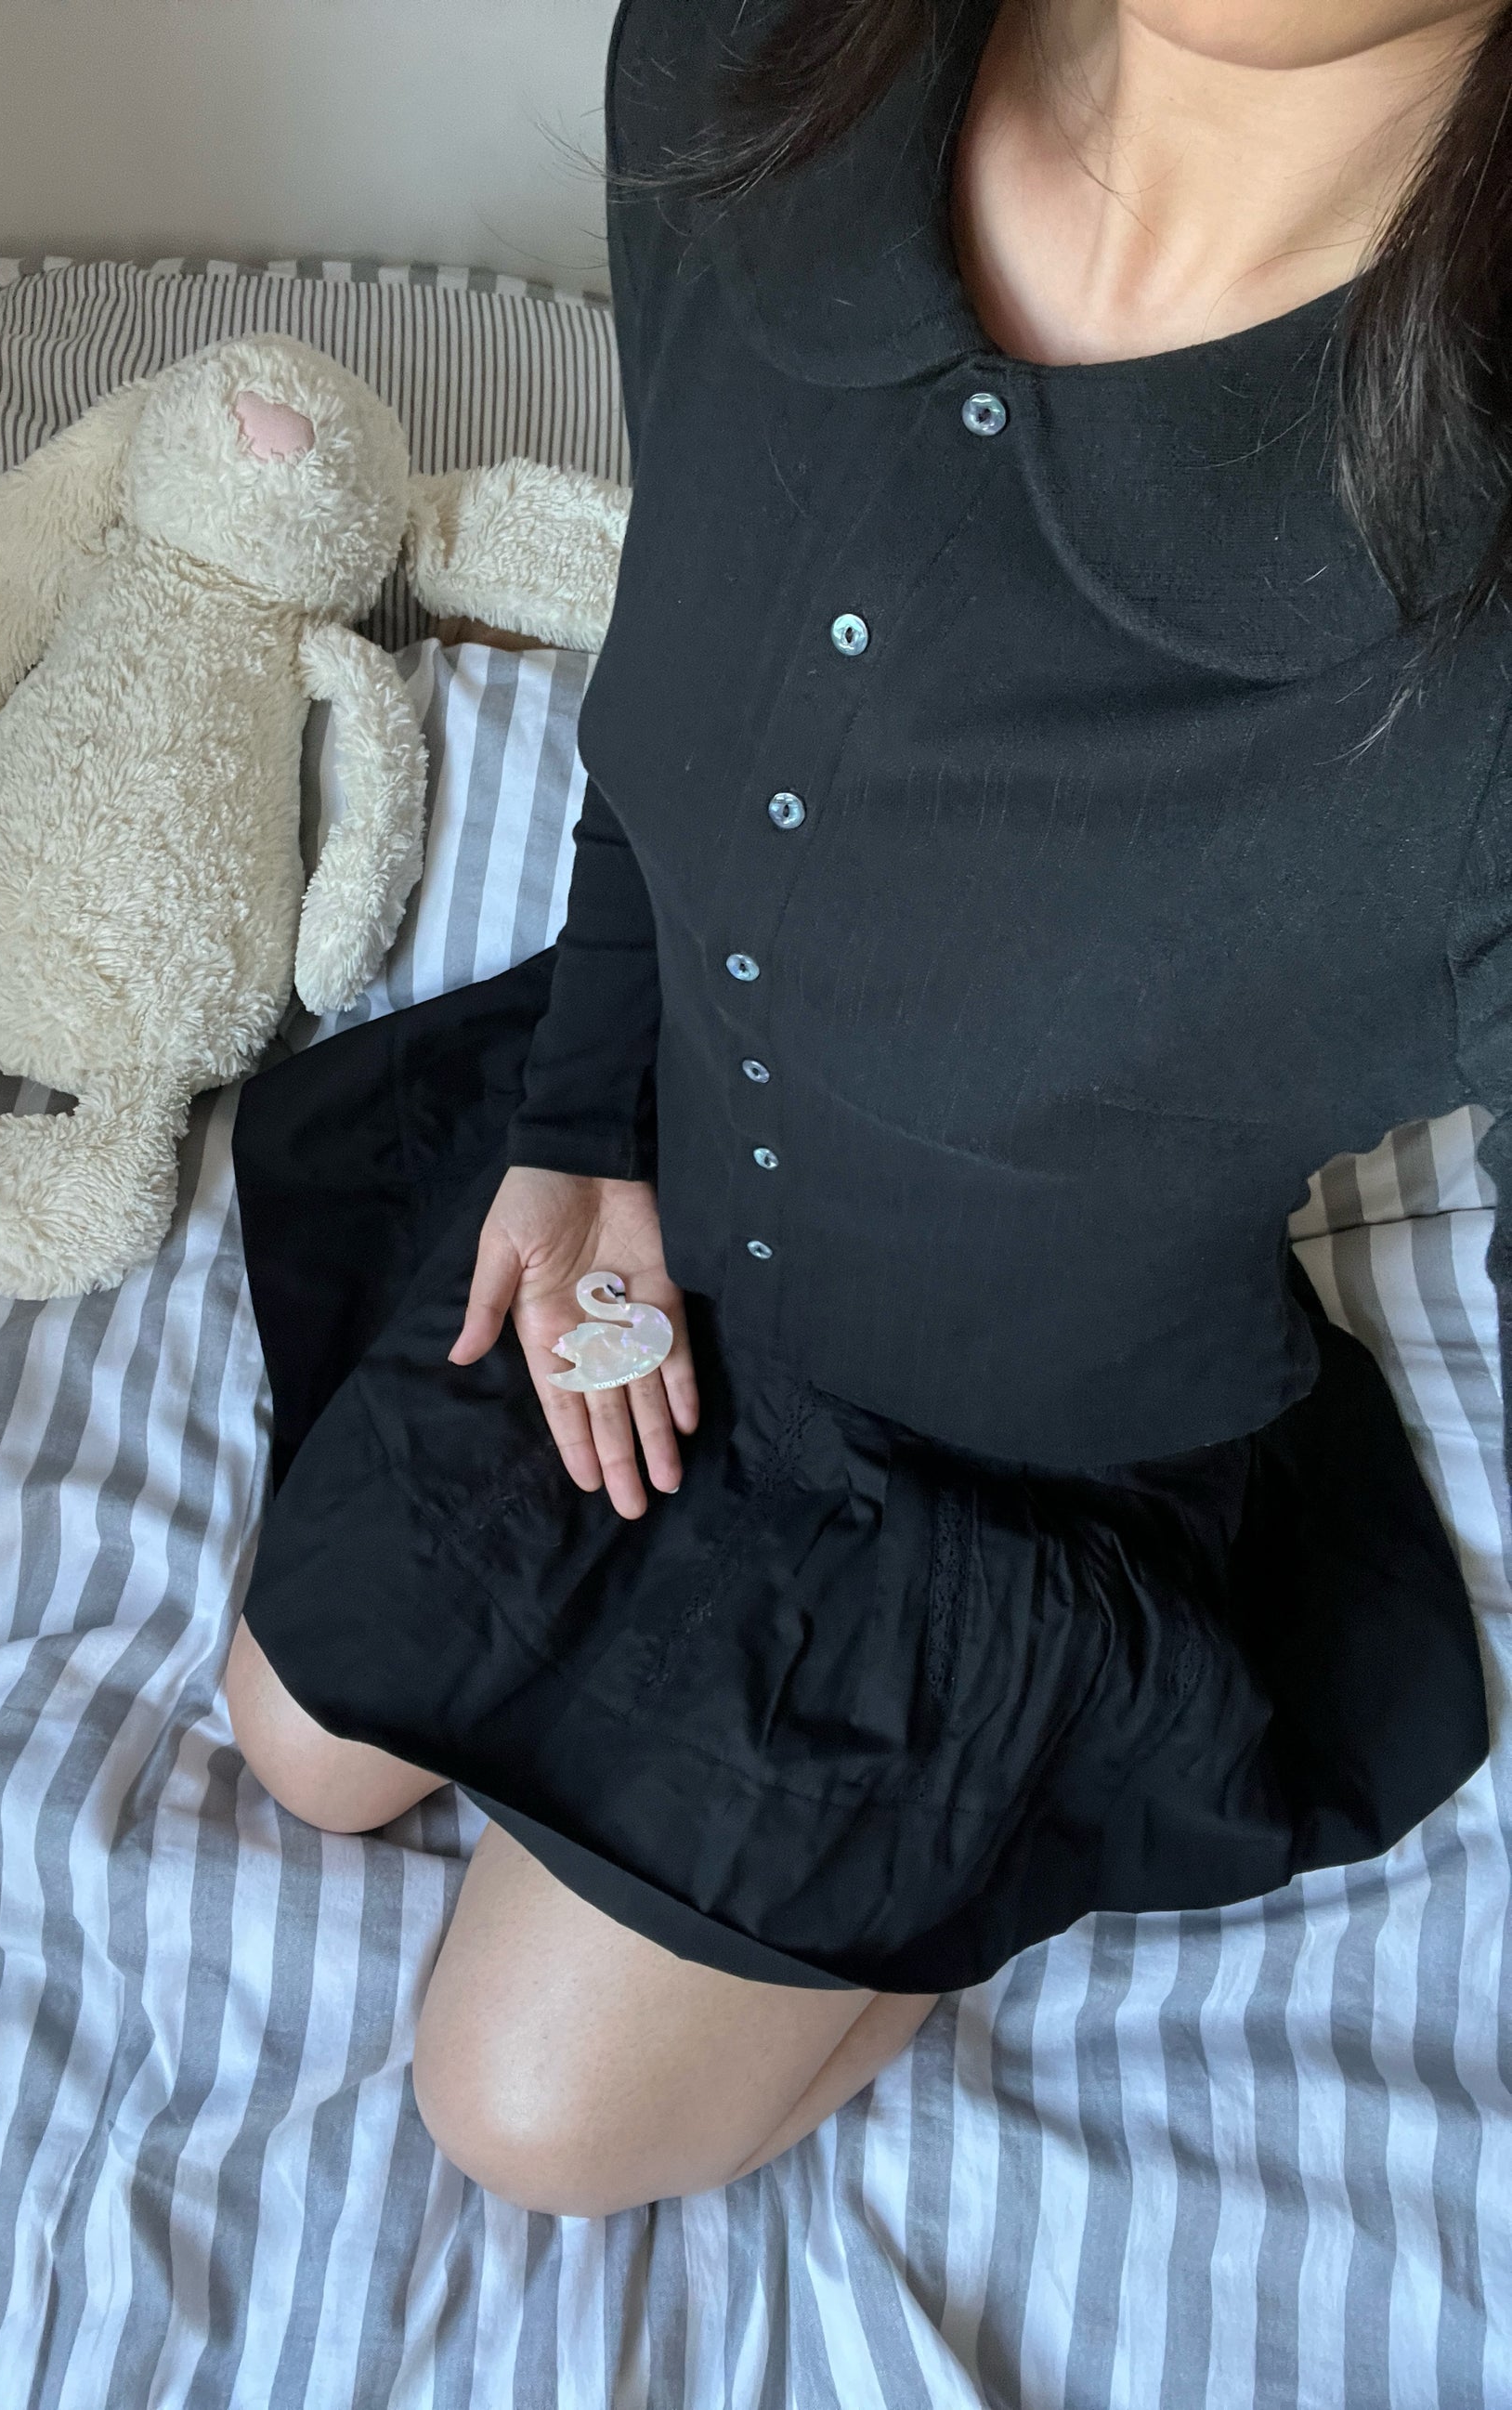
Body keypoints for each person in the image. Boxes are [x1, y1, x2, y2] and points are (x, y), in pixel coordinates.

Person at [225, 0, 1507, 2217]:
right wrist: (580, 1122)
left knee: (521, 2115)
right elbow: (681, 688)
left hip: (1006, 1474)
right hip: (650, 1184)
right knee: (298, 1743)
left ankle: (962, 1846)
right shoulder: (741, 62)